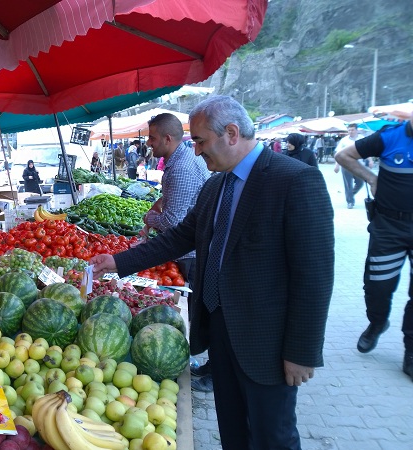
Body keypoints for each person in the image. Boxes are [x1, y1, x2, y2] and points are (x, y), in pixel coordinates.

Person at [90, 95, 334, 449]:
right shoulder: (214, 186)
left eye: (201, 140)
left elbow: (314, 275)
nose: (196, 149)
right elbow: (178, 238)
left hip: (266, 342)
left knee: (273, 436)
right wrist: (118, 262)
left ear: (231, 133)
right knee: (232, 430)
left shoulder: (294, 180)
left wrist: (302, 351)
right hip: (219, 330)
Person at [334, 120, 413, 381]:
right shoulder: (389, 136)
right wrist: (371, 178)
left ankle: (410, 352)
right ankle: (377, 322)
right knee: (377, 286)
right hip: (389, 226)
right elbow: (343, 155)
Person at [143, 113, 212, 390]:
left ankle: (199, 365)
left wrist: (149, 218)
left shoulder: (181, 168)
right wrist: (161, 201)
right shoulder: (181, 161)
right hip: (193, 249)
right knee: (196, 309)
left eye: (152, 138)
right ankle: (205, 363)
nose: (149, 143)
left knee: (193, 310)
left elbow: (173, 222)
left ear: (168, 138)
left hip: (190, 253)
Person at [334, 123, 374, 208]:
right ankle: (350, 201)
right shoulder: (344, 140)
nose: (350, 132)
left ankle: (350, 195)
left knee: (360, 183)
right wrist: (337, 165)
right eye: (349, 130)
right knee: (348, 184)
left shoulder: (362, 139)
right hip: (345, 165)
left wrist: (370, 160)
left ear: (356, 130)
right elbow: (339, 154)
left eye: (352, 130)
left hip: (359, 165)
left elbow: (367, 150)